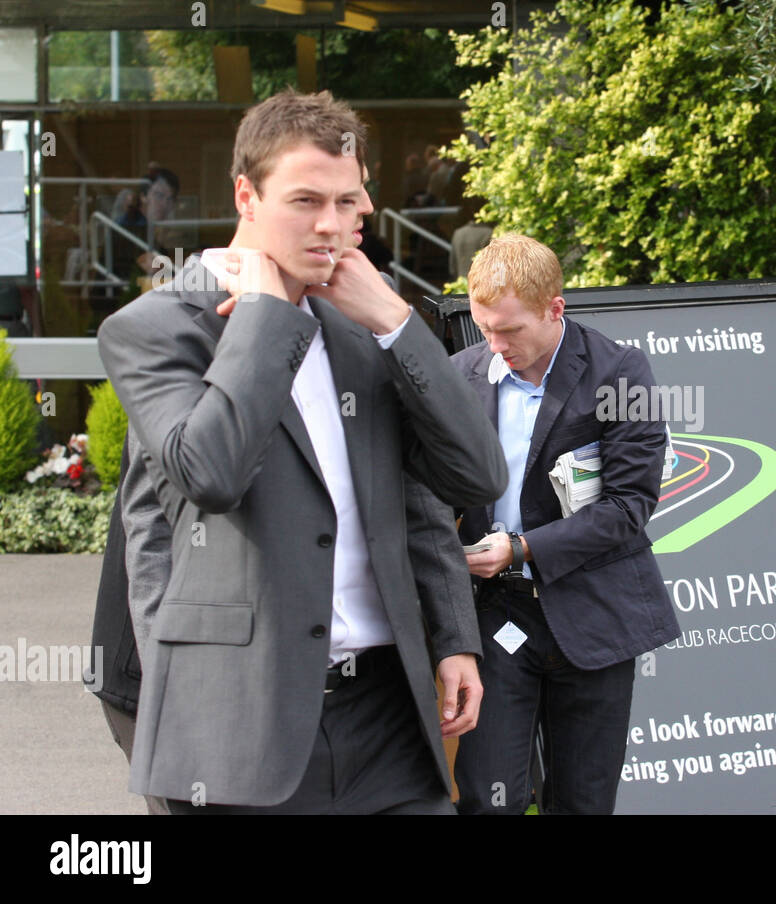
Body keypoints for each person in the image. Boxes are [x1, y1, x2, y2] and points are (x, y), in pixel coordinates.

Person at [96, 89, 508, 814]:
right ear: (246, 197)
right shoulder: (157, 329)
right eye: (305, 201)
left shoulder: (364, 325)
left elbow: (465, 478)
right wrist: (262, 318)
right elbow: (213, 473)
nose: (331, 225)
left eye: (349, 204)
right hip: (242, 727)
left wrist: (395, 320)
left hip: (388, 720)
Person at [450, 233, 680, 815]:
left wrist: (521, 548)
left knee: (582, 801)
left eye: (511, 330)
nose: (496, 345)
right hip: (495, 614)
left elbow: (629, 507)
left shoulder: (619, 372)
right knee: (486, 796)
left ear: (556, 308)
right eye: (485, 329)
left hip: (594, 610)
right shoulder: (459, 376)